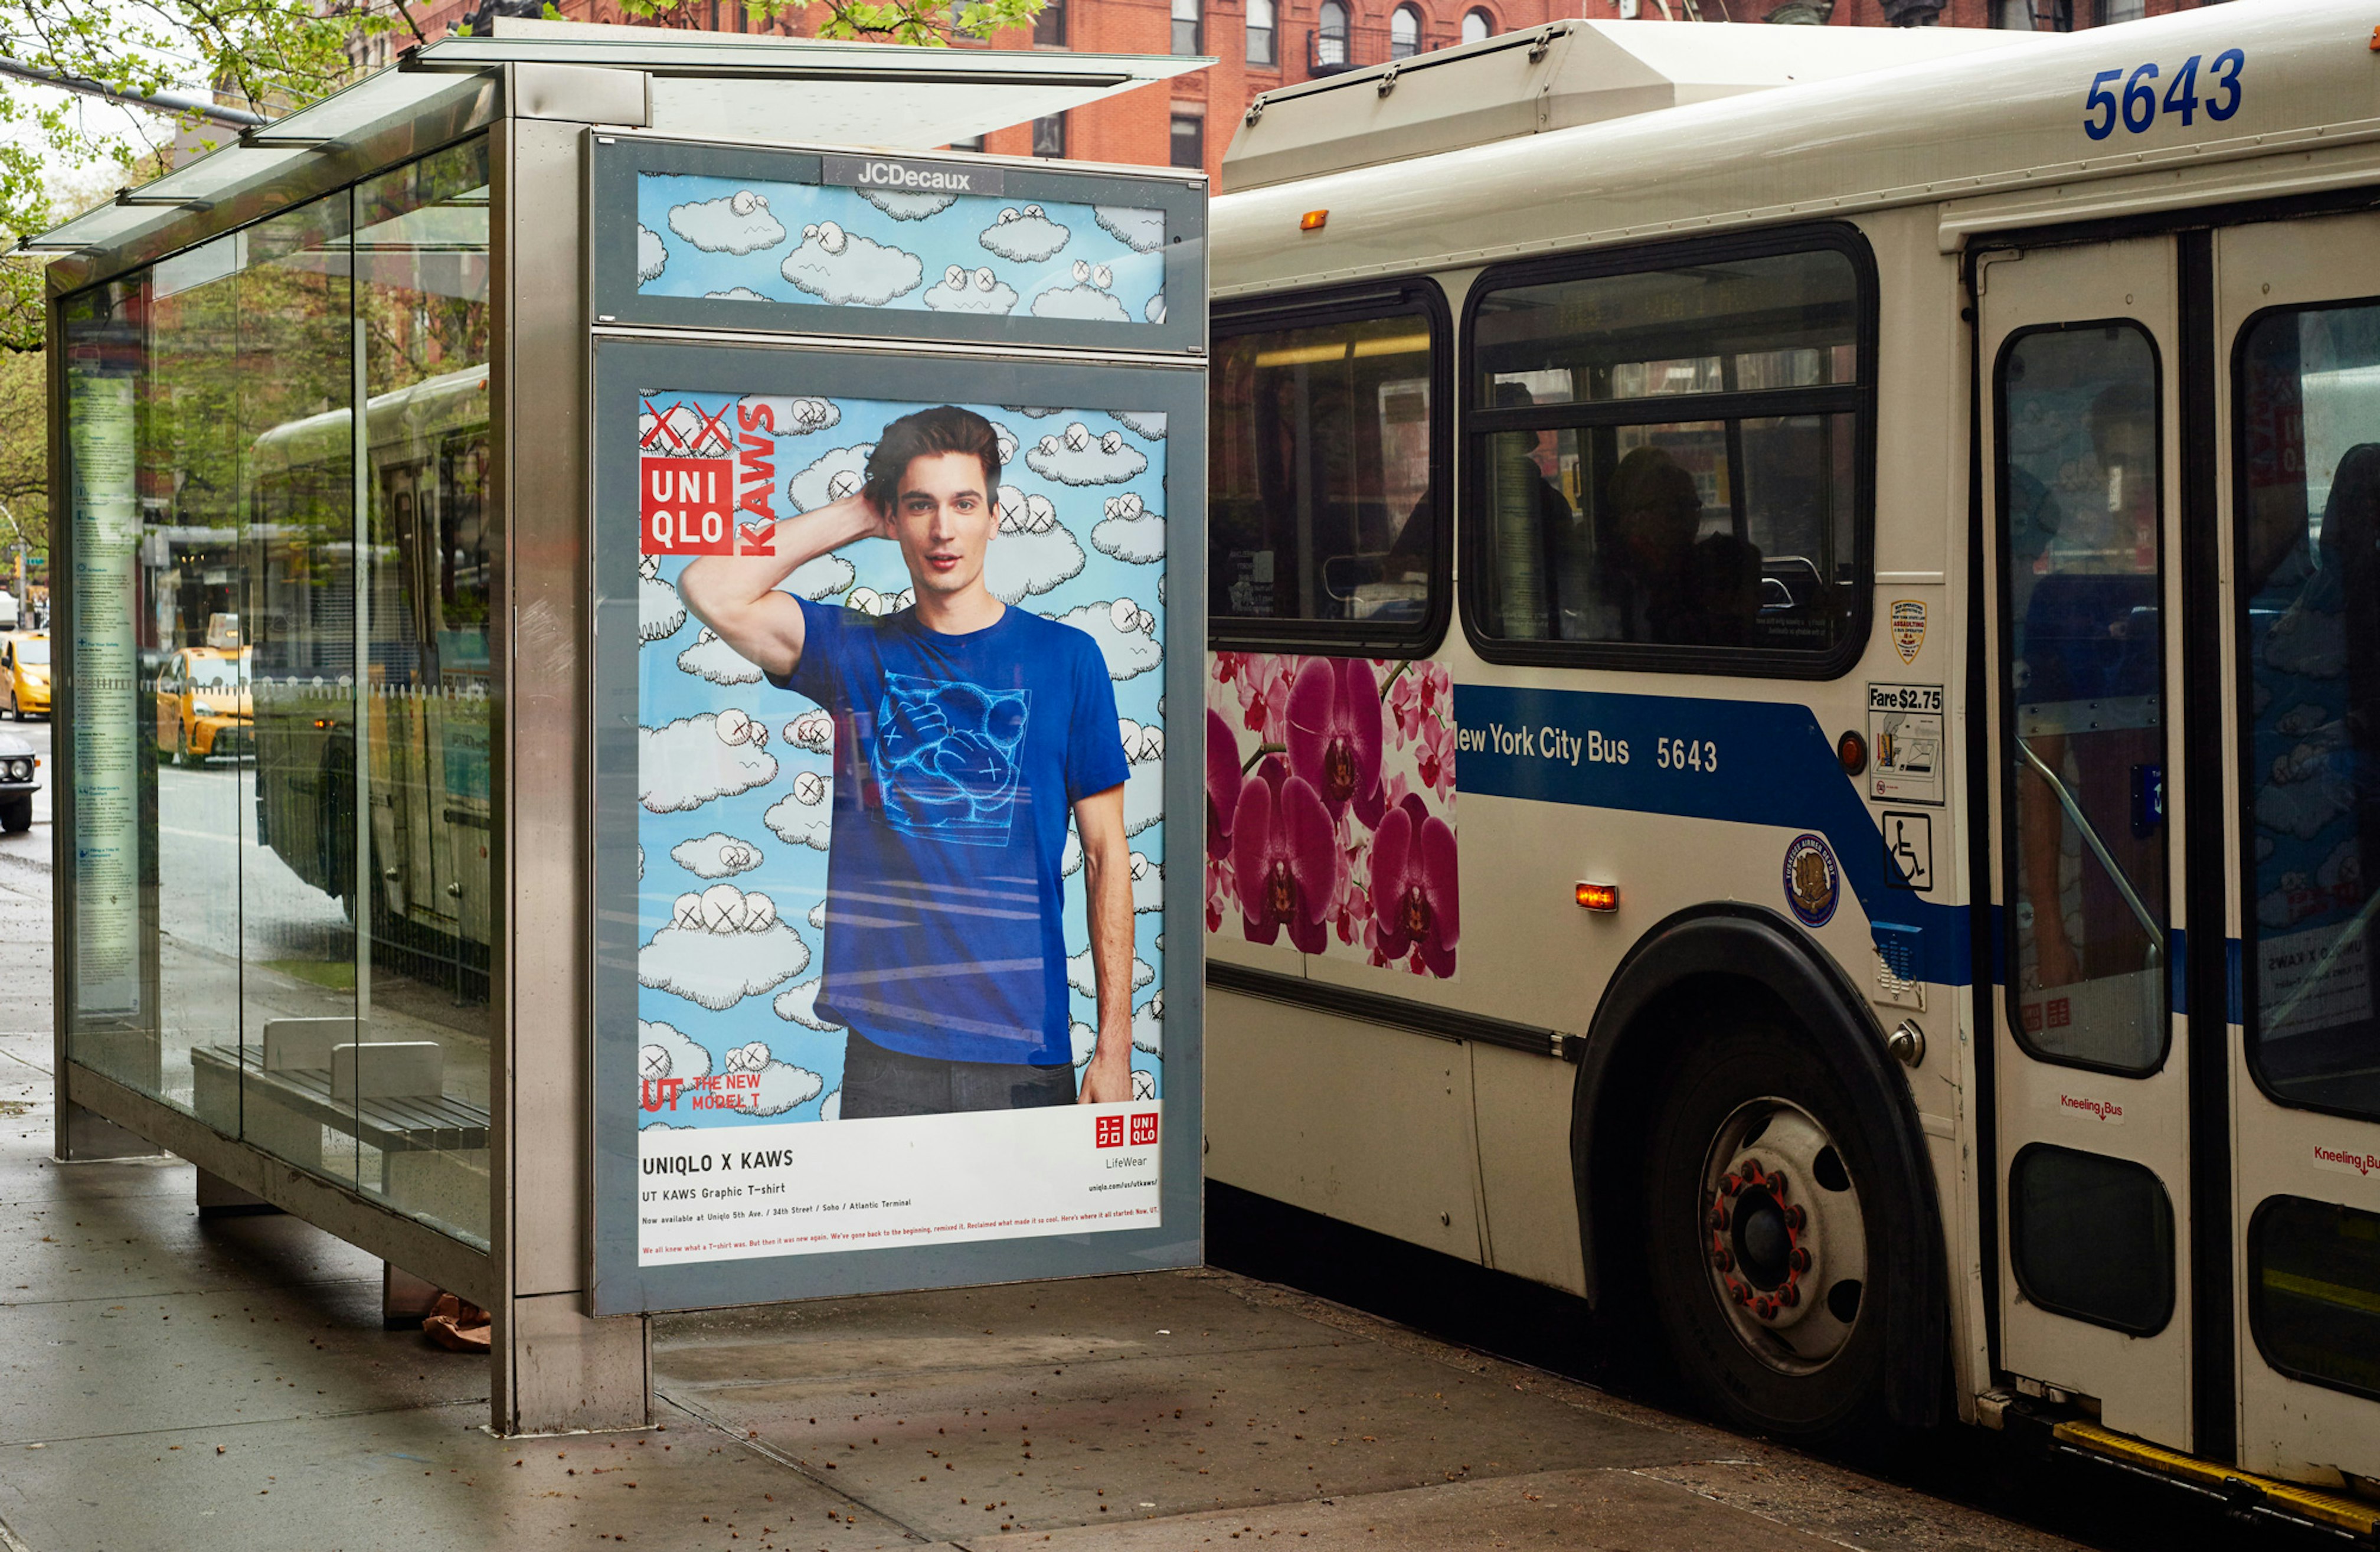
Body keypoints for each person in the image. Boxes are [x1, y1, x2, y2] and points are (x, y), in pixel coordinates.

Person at [679, 405, 1137, 1117]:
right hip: (887, 1054)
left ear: (995, 516)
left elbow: (1107, 856)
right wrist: (863, 510)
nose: (943, 529)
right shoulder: (853, 650)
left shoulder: (1068, 659)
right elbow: (711, 588)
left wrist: (1116, 1045)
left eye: (965, 503)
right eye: (921, 505)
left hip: (1023, 1048)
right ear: (895, 518)